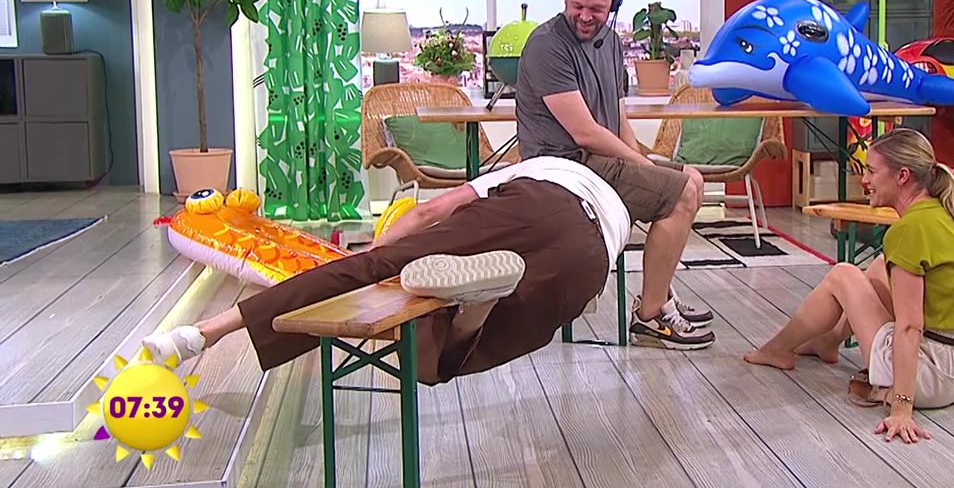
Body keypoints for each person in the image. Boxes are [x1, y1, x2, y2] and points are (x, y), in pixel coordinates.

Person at [140, 156, 714, 386]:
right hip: (587, 256)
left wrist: (375, 256)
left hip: (532, 202)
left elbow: (431, 211)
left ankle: (200, 334)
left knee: (381, 275)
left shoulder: (543, 165)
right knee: (474, 349)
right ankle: (476, 310)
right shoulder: (622, 211)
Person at [744, 128, 954, 443]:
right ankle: (827, 342)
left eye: (871, 171)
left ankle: (777, 349)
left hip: (932, 379)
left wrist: (902, 407)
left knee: (843, 274)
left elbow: (909, 327)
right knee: (878, 268)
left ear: (902, 176)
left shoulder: (909, 231)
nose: (865, 180)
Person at [515, 0, 713, 350]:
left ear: (613, 5)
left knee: (692, 179)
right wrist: (644, 166)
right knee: (681, 192)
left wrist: (644, 162)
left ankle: (659, 296)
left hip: (596, 161)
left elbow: (617, 115)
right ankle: (650, 317)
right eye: (577, 6)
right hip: (562, 169)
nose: (585, 16)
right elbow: (585, 133)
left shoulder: (610, 41)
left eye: (597, 8)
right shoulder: (546, 46)